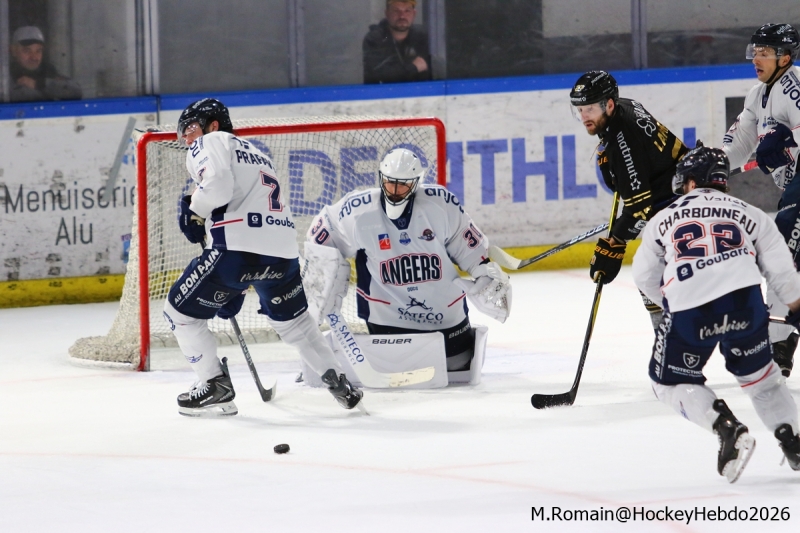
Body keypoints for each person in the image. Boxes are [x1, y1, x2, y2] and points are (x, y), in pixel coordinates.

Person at [163, 98, 364, 417]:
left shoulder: (211, 142)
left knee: (179, 312)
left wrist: (193, 210)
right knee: (297, 324)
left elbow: (217, 188)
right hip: (283, 257)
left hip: (237, 254)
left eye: (191, 128)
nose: (187, 138)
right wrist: (237, 287)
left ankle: (214, 384)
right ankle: (339, 383)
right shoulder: (257, 154)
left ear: (213, 125)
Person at [632, 146, 800, 482]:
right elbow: (782, 273)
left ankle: (726, 427)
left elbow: (644, 277)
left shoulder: (662, 218)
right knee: (762, 378)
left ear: (691, 182)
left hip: (689, 311)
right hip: (745, 305)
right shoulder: (752, 213)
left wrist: (674, 306)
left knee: (668, 382)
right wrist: (796, 307)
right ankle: (793, 441)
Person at [300, 148, 511, 386]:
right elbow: (320, 240)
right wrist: (325, 282)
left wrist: (484, 274)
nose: (395, 191)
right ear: (381, 178)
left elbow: (472, 251)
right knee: (398, 366)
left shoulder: (441, 204)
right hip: (387, 321)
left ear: (417, 183)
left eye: (403, 185)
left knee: (457, 366)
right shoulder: (358, 211)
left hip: (446, 319)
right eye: (390, 183)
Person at [570, 70, 689, 330]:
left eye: (589, 109)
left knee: (650, 275)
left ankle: (672, 343)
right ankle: (671, 342)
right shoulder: (624, 107)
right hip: (677, 189)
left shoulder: (623, 142)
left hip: (677, 204)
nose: (583, 117)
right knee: (650, 274)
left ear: (608, 104)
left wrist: (614, 244)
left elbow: (639, 208)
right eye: (579, 109)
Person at [721, 23, 800, 378]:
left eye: (764, 52)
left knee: (782, 251)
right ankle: (781, 343)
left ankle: (780, 342)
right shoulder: (757, 95)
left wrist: (788, 144)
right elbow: (739, 143)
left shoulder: (794, 87)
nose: (757, 58)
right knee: (784, 256)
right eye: (755, 51)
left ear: (785, 57)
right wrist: (714, 167)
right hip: (794, 188)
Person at [363, 0, 432, 84]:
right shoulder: (374, 39)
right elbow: (379, 76)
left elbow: (429, 74)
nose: (402, 16)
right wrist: (413, 68)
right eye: (396, 11)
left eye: (407, 11)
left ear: (414, 14)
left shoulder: (422, 38)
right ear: (387, 13)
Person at [9, 26, 82, 102]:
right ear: (13, 51)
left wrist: (38, 84)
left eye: (38, 51)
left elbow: (76, 91)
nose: (34, 57)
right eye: (27, 51)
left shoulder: (49, 72)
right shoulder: (5, 78)